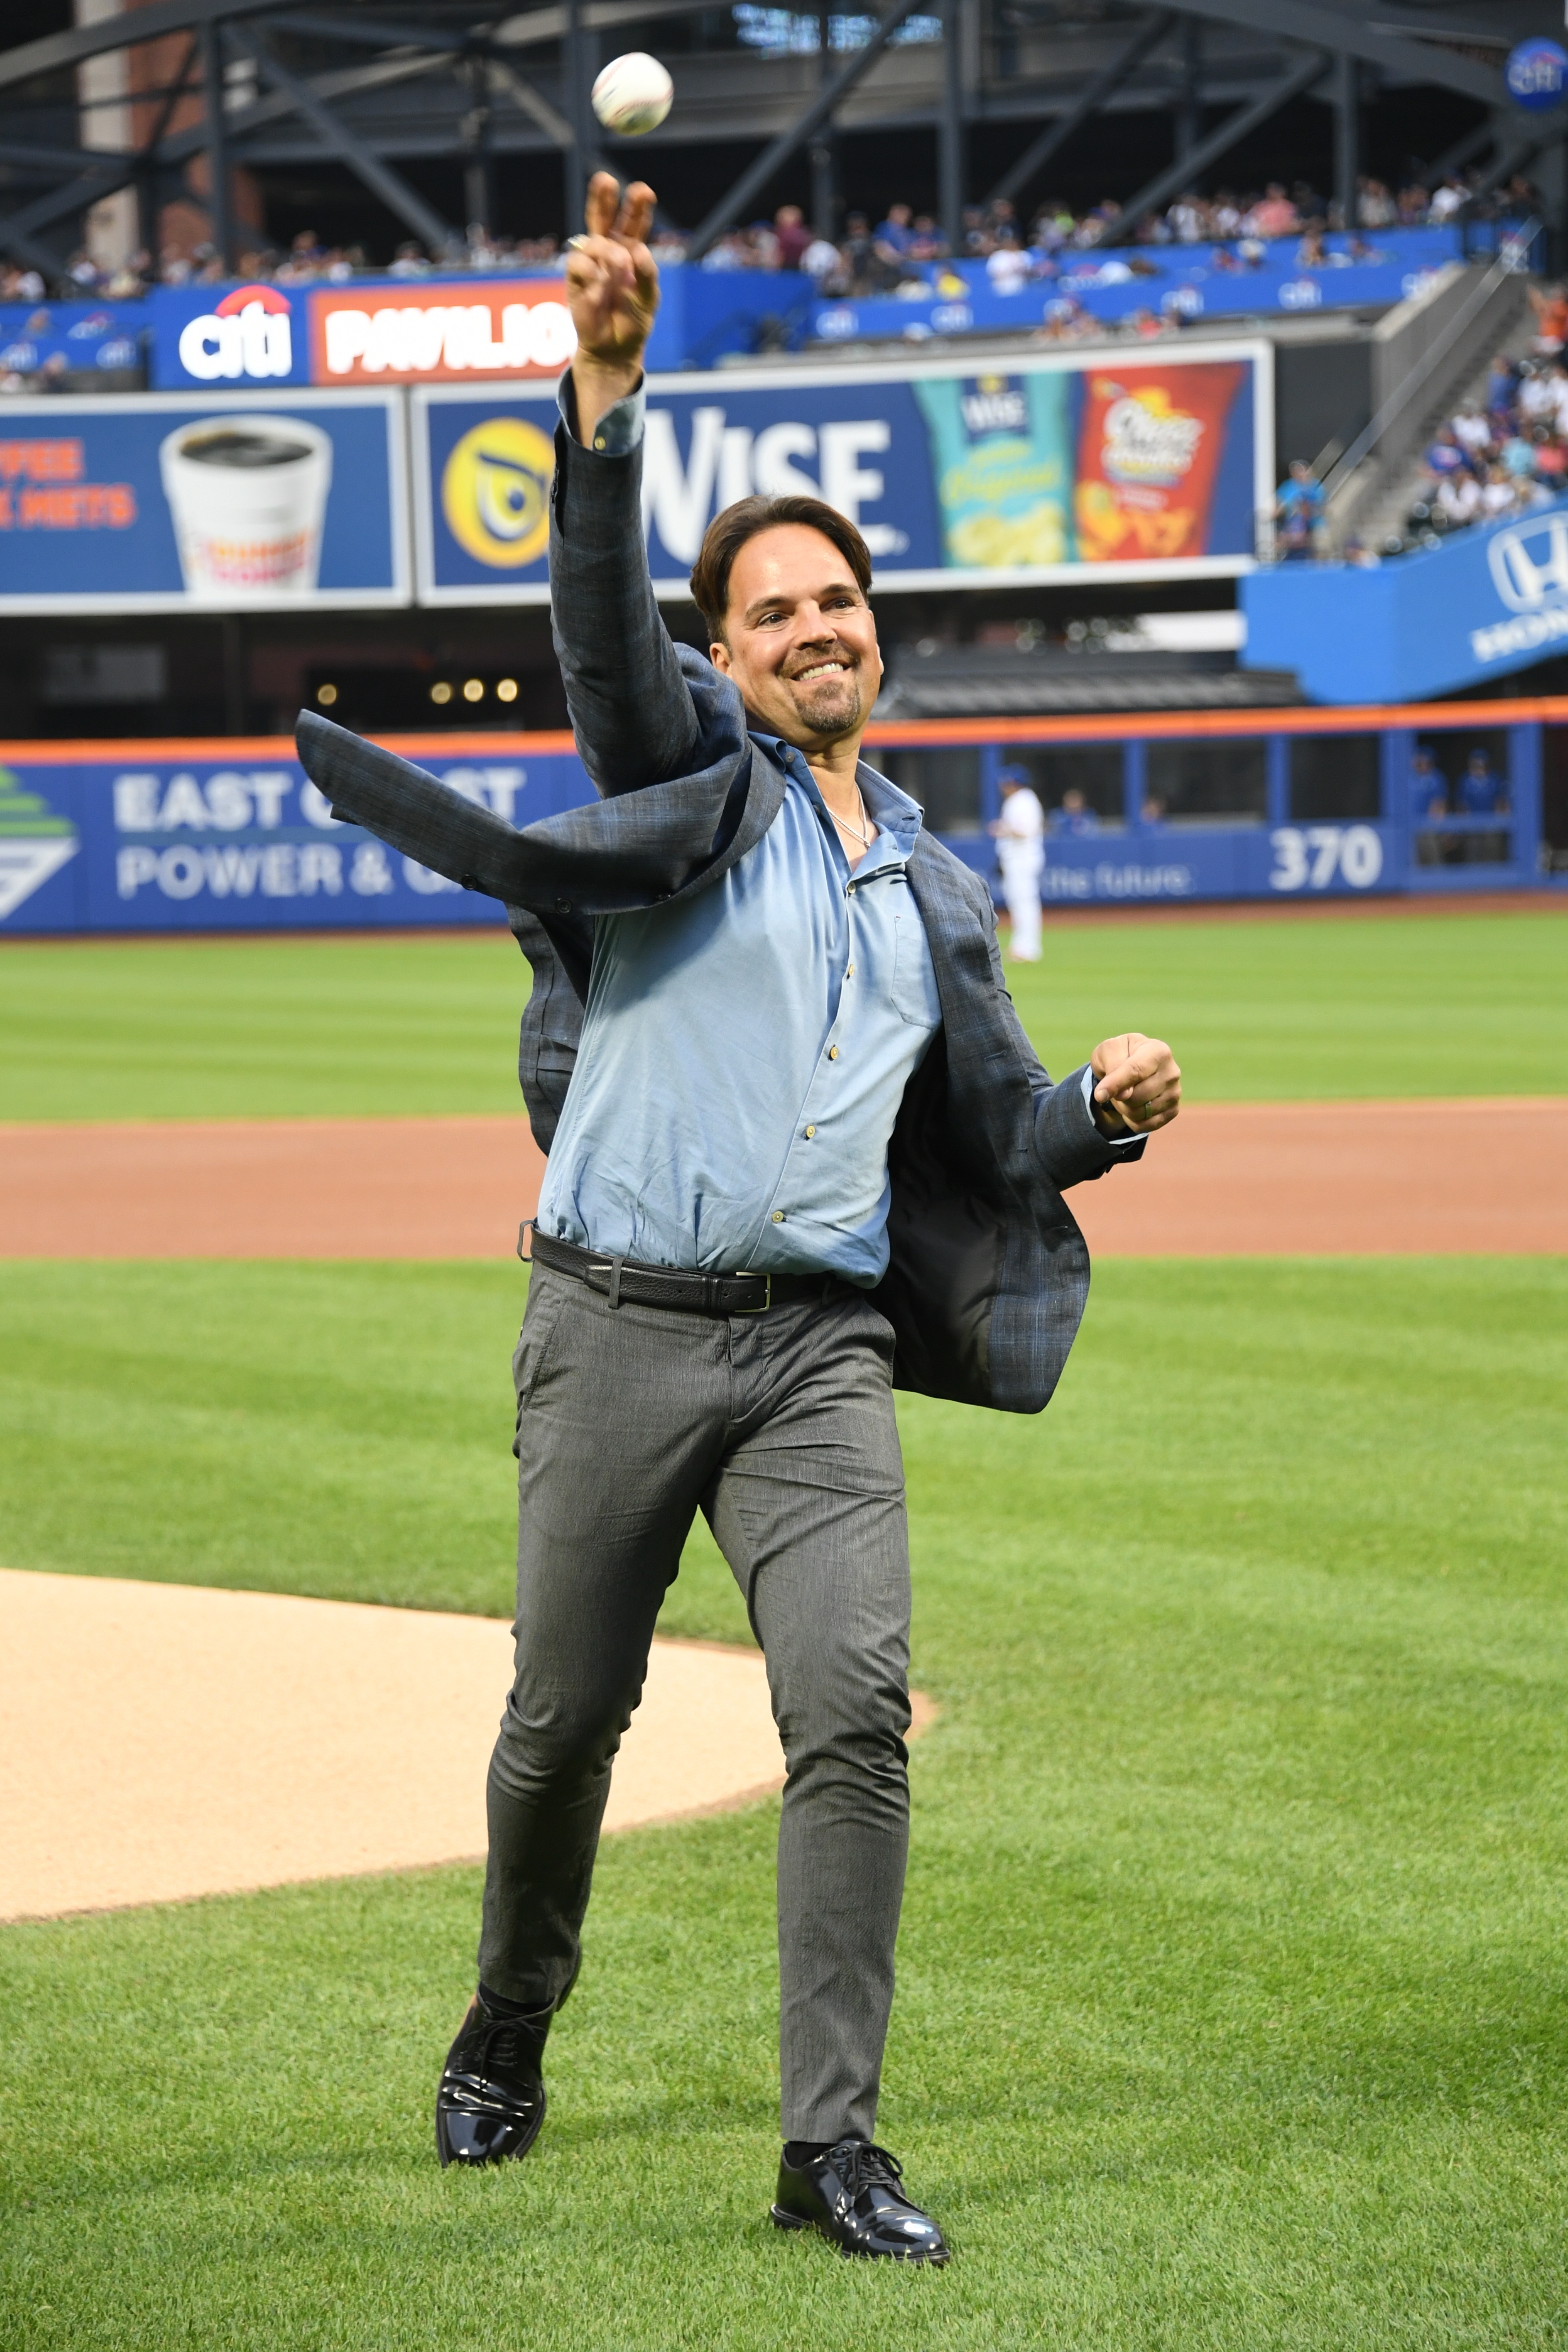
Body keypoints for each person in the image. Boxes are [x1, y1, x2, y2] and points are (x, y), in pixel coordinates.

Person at [295, 171, 1181, 2268]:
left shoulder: (939, 892)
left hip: (815, 1351)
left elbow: (991, 1133)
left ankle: (828, 2149)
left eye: (838, 603)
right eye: (774, 611)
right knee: (560, 1724)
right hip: (614, 1322)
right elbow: (601, 639)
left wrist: (1102, 1107)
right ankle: (512, 2015)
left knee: (854, 1711)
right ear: (732, 653)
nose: (817, 629)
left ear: (883, 630)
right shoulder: (698, 779)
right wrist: (600, 409)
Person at [988, 765, 1046, 959]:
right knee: (1019, 903)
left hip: (1023, 858)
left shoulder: (1025, 800)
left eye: (1006, 782)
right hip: (1015, 858)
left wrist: (1002, 829)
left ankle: (1028, 948)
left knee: (1025, 903)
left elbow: (1025, 831)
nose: (1002, 786)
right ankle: (1022, 945)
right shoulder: (1017, 800)